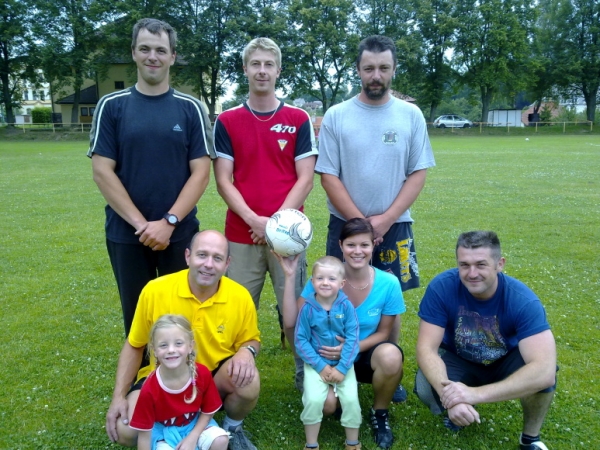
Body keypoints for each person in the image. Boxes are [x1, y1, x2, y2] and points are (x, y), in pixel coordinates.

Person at [315, 35, 435, 403]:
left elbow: (418, 173)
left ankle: (389, 371)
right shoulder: (337, 115)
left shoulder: (410, 115)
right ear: (358, 70)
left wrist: (386, 219)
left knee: (390, 300)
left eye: (384, 68)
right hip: (345, 226)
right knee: (336, 294)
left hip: (395, 226)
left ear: (394, 69)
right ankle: (331, 365)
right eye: (369, 68)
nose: (376, 75)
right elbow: (328, 175)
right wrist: (363, 226)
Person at [88, 18, 214, 336]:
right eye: (145, 49)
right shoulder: (111, 106)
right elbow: (102, 171)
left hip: (179, 233)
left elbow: (201, 173)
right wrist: (142, 226)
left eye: (160, 50)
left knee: (181, 317)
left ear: (173, 56)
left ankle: (184, 370)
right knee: (137, 318)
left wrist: (168, 222)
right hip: (126, 234)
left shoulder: (191, 108)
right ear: (133, 52)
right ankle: (141, 370)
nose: (152, 57)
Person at [213, 37, 318, 384]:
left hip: (288, 237)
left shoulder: (298, 118)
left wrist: (273, 225)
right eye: (255, 64)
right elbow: (223, 180)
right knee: (236, 310)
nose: (262, 71)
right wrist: (253, 220)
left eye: (268, 64)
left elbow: (305, 179)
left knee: (298, 311)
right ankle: (230, 380)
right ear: (245, 69)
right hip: (241, 235)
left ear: (278, 70)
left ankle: (306, 379)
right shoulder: (227, 120)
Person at [106, 230, 261, 450]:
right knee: (125, 431)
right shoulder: (155, 290)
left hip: (210, 380)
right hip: (162, 379)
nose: (208, 264)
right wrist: (118, 396)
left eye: (217, 258)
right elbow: (135, 344)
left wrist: (247, 351)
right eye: (202, 255)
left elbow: (251, 340)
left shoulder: (240, 296)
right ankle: (169, 433)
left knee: (249, 380)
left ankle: (232, 428)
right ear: (188, 256)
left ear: (227, 264)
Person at [415, 231, 557, 450]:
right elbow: (426, 349)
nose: (472, 273)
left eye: (481, 264)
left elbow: (544, 371)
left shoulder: (523, 300)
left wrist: (474, 394)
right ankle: (460, 410)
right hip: (460, 357)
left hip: (504, 360)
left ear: (500, 264)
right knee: (426, 385)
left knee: (540, 378)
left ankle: (530, 438)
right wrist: (451, 397)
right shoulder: (442, 287)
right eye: (464, 265)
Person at [277, 218, 405, 449]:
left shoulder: (389, 283)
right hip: (326, 358)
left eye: (364, 245)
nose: (358, 251)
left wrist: (350, 348)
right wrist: (289, 276)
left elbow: (384, 332)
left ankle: (379, 412)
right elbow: (292, 322)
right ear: (341, 245)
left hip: (364, 353)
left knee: (391, 356)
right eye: (351, 245)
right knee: (326, 406)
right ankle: (336, 401)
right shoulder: (326, 279)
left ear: (374, 245)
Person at [129, 314, 229, 450]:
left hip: (195, 425)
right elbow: (144, 435)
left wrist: (193, 437)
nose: (171, 350)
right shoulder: (149, 388)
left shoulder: (202, 374)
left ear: (190, 346)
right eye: (163, 345)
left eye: (178, 343)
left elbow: (208, 411)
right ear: (154, 350)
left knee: (220, 440)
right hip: (164, 433)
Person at [294, 257, 361, 450]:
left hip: (343, 364)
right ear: (312, 281)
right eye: (320, 278)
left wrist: (342, 368)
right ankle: (311, 444)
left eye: (331, 279)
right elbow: (300, 340)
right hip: (316, 365)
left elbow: (353, 338)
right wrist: (320, 366)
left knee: (351, 400)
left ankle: (352, 442)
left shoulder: (346, 307)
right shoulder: (307, 309)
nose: (325, 282)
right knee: (313, 400)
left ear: (342, 283)